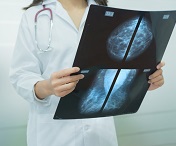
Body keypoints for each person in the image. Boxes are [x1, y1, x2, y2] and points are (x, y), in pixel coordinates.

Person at [9, 0, 165, 146]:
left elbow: (116, 67)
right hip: (53, 133)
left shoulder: (106, 13)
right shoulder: (34, 16)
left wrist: (143, 80)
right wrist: (47, 87)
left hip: (100, 133)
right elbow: (21, 75)